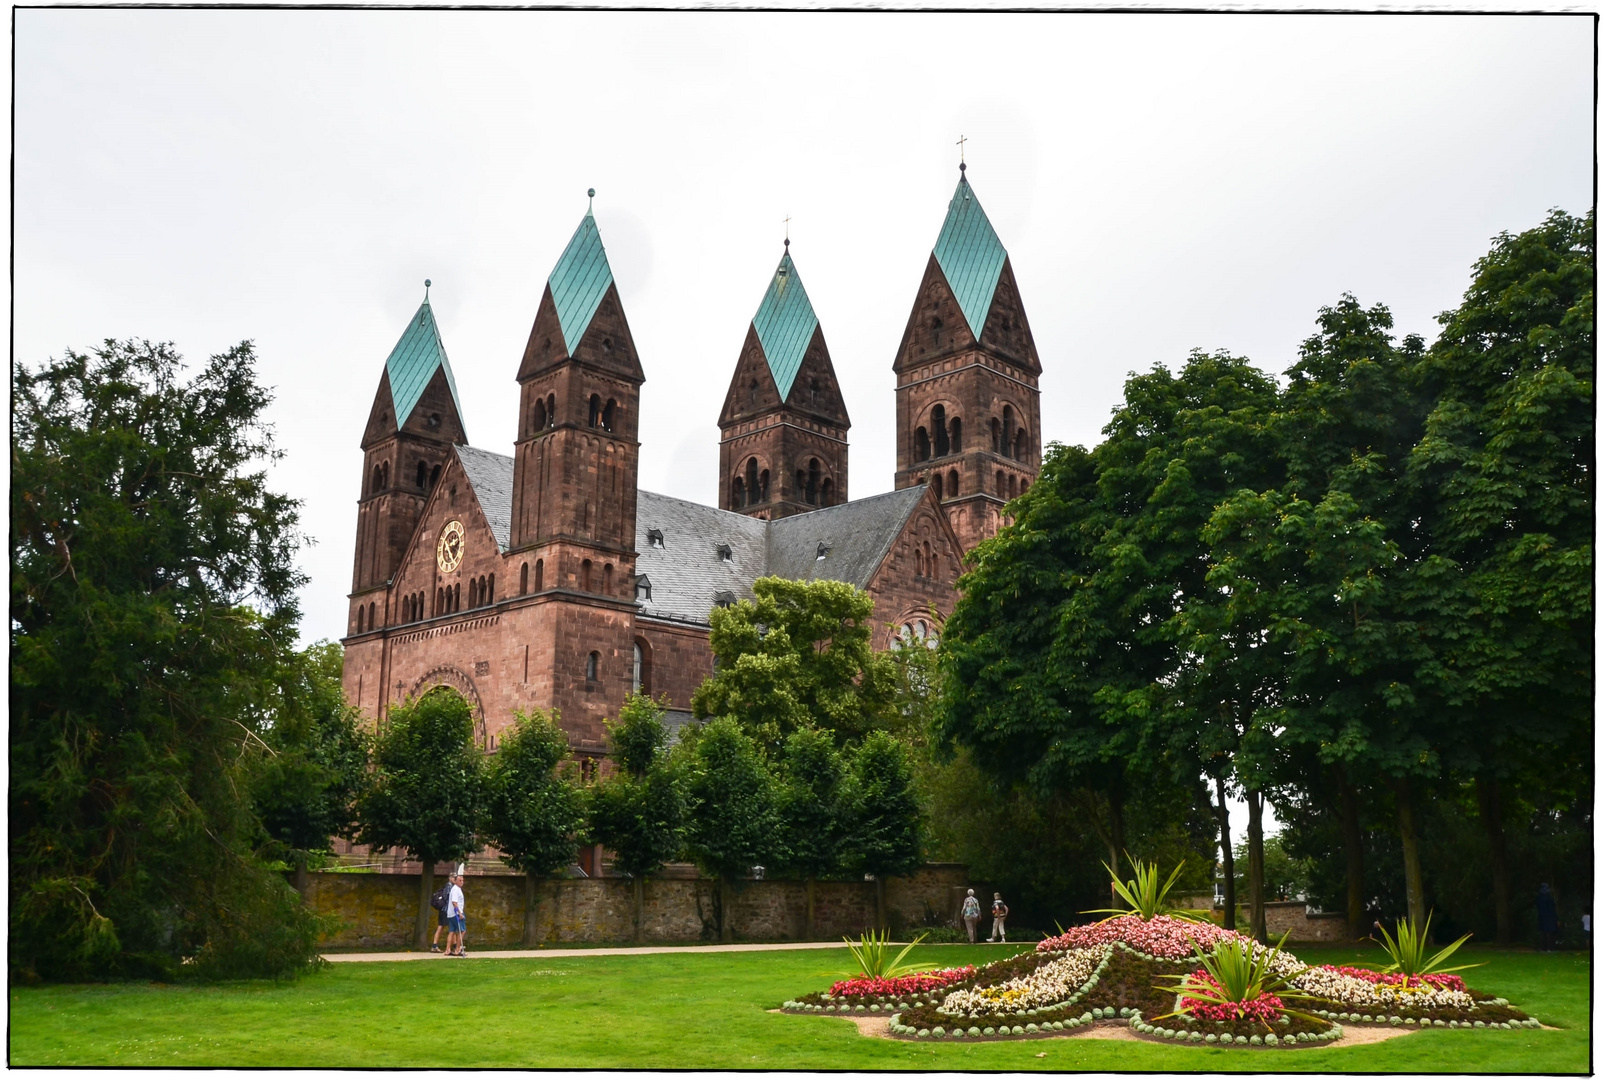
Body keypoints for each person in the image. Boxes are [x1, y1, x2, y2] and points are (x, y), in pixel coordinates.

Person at [446, 873, 467, 957]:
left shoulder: (457, 889)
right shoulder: (455, 889)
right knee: (462, 931)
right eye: (459, 880)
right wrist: (459, 913)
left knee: (452, 931)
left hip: (451, 914)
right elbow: (454, 902)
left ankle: (448, 950)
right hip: (456, 913)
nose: (462, 882)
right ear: (455, 881)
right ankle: (457, 950)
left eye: (462, 880)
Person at [1537, 883, 1558, 951]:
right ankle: (1550, 947)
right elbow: (1552, 909)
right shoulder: (1549, 898)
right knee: (1550, 932)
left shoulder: (1539, 898)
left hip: (1542, 917)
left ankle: (1543, 947)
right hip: (1549, 917)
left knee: (1543, 932)